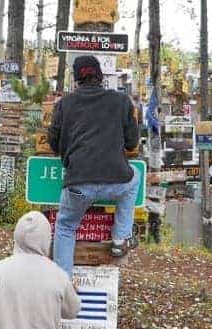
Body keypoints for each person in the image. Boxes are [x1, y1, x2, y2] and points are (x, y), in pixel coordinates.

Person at [48, 55, 140, 278]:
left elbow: (53, 143)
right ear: (100, 76)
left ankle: (62, 284)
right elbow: (132, 143)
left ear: (76, 78)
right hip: (117, 180)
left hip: (78, 183)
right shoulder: (121, 101)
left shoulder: (64, 104)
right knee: (135, 176)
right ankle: (120, 237)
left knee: (65, 227)